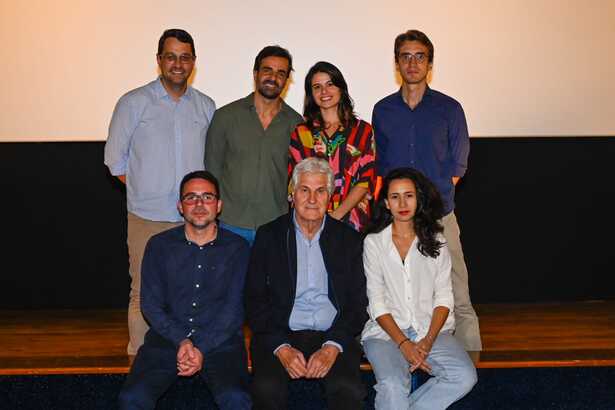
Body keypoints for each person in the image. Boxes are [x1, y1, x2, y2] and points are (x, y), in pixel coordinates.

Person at [104, 29, 216, 355]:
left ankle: (189, 357)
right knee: (143, 292)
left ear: (193, 62)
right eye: (171, 56)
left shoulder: (206, 106)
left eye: (185, 57)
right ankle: (140, 359)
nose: (178, 64)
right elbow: (115, 161)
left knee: (192, 292)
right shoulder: (133, 103)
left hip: (195, 220)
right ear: (159, 60)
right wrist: (147, 189)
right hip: (147, 217)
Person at [372, 29, 482, 351]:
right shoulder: (383, 110)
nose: (412, 63)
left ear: (429, 64)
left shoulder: (449, 109)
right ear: (397, 63)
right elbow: (381, 167)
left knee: (458, 295)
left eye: (420, 56)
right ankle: (401, 355)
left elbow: (458, 167)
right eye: (405, 56)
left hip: (439, 216)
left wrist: (428, 204)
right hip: (397, 223)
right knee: (397, 296)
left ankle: (472, 366)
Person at [118, 171, 251, 410]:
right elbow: (150, 304)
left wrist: (201, 347)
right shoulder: (159, 245)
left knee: (236, 398)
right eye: (191, 197)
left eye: (207, 197)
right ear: (180, 206)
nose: (199, 204)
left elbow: (235, 309)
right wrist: (182, 340)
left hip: (221, 341)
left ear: (219, 205)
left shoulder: (238, 248)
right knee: (132, 398)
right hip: (167, 339)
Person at [246, 157, 368, 409]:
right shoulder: (269, 236)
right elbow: (254, 299)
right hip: (280, 331)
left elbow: (358, 304)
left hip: (333, 332)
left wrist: (332, 346)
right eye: (304, 190)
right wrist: (281, 347)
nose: (312, 199)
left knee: (348, 390)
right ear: (292, 194)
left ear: (329, 197)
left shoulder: (349, 240)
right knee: (266, 388)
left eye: (320, 191)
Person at [361, 167, 477, 410]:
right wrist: (404, 343)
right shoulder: (374, 243)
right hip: (386, 334)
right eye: (395, 197)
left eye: (409, 195)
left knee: (464, 376)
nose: (403, 203)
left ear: (419, 199)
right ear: (386, 203)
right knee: (393, 385)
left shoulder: (437, 241)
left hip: (430, 330)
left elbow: (444, 298)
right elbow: (377, 303)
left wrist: (427, 341)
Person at [205, 45, 303, 245]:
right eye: (267, 70)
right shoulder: (225, 117)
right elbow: (212, 170)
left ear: (286, 80)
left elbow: (298, 176)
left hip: (274, 225)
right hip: (229, 223)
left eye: (281, 73)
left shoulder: (296, 124)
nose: (273, 77)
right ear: (255, 73)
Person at [289, 61, 376, 232]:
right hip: (309, 223)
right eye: (317, 87)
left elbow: (365, 181)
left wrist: (335, 217)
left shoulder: (363, 131)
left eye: (330, 84)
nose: (324, 92)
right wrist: (319, 221)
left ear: (341, 88)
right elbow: (297, 182)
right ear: (311, 94)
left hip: (352, 222)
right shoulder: (301, 133)